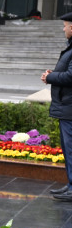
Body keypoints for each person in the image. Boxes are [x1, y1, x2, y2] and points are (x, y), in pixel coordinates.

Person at [44, 12, 72, 201]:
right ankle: (70, 184)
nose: (63, 29)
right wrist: (54, 73)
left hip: (69, 107)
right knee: (67, 148)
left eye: (65, 25)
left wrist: (49, 77)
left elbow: (71, 76)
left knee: (70, 148)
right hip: (66, 107)